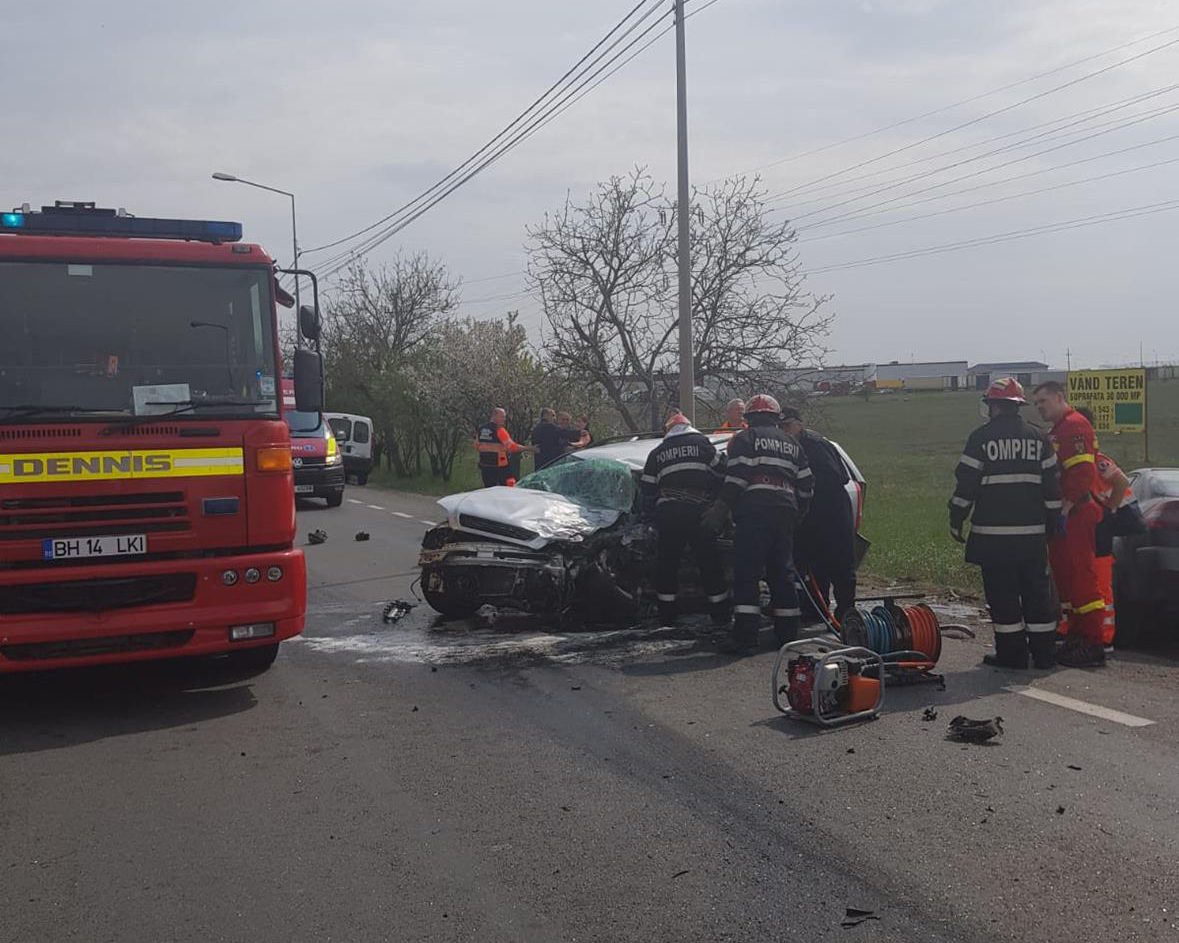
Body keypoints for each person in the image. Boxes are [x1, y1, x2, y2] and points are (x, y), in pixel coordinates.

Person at [949, 377, 1062, 669]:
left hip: (993, 540)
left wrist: (956, 518)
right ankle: (1045, 655)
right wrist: (1052, 523)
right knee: (1037, 595)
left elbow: (966, 485)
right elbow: (1052, 488)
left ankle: (1013, 655)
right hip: (1032, 538)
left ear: (994, 406)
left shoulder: (980, 438)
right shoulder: (1039, 438)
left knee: (1003, 597)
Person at [703, 393, 813, 654]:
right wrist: (797, 514)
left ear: (749, 417)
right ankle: (787, 635)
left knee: (747, 573)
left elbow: (737, 478)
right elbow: (807, 486)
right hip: (785, 511)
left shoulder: (746, 438)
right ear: (776, 418)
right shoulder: (792, 444)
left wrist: (720, 509)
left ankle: (746, 638)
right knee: (782, 572)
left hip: (755, 512)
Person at [1032, 380, 1106, 667]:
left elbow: (1083, 472)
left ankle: (1092, 642)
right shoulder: (1059, 429)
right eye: (1036, 403)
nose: (1039, 407)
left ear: (1059, 397)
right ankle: (1077, 637)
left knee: (1081, 577)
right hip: (1065, 516)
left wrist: (1065, 507)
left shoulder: (1074, 426)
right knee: (1067, 579)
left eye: (1043, 401)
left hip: (1075, 514)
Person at [640, 411, 729, 626]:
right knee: (709, 561)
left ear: (668, 430)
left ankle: (666, 614)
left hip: (669, 513)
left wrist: (649, 520)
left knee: (667, 562)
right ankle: (721, 614)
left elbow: (647, 490)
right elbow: (723, 470)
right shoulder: (702, 444)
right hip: (699, 511)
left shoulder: (657, 452)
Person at [780, 407, 857, 623]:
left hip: (831, 512)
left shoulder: (815, 445)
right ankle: (817, 611)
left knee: (840, 565)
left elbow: (835, 478)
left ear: (799, 425)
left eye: (787, 426)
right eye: (780, 427)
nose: (784, 431)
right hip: (810, 516)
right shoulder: (789, 448)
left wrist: (803, 488)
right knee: (814, 566)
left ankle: (846, 614)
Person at [1074, 405, 1131, 648]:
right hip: (1087, 530)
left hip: (1099, 531)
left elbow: (1122, 482)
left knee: (1100, 585)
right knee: (1085, 582)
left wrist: (1110, 509)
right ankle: (1085, 633)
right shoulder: (1083, 460)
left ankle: (1104, 638)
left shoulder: (1098, 461)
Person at [475, 407, 534, 487]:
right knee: (508, 486)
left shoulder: (481, 429)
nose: (504, 419)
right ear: (494, 416)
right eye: (502, 417)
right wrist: (530, 448)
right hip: (500, 466)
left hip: (485, 466)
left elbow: (476, 445)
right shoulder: (499, 430)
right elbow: (512, 447)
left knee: (489, 489)